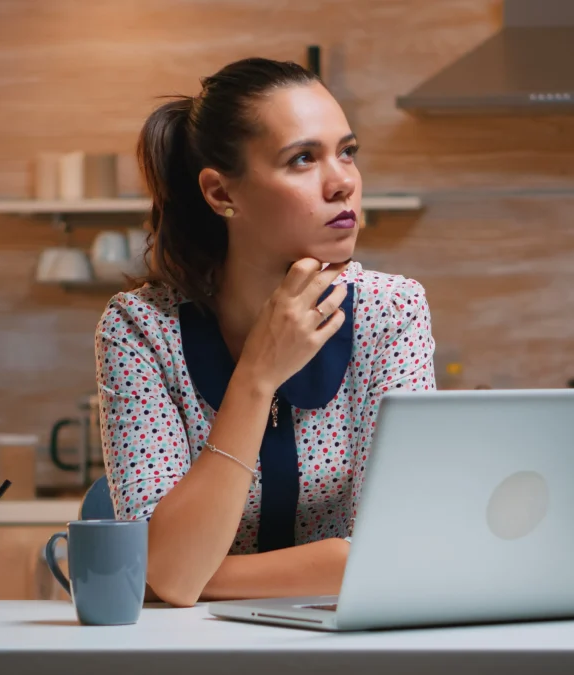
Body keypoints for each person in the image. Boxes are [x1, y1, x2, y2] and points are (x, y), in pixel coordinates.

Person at [94, 57, 437, 607]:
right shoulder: (140, 329)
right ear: (221, 193)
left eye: (346, 152)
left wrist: (195, 575)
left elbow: (398, 553)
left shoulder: (391, 311)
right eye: (303, 158)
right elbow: (167, 572)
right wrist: (257, 374)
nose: (343, 182)